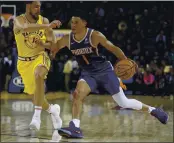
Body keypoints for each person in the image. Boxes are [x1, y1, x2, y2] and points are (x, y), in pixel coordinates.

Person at [51, 10, 168, 138]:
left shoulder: (94, 35)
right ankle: (75, 127)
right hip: (88, 73)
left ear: (84, 23)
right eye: (71, 22)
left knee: (124, 103)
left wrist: (126, 60)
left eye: (76, 22)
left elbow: (113, 48)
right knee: (77, 94)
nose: (72, 24)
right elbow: (54, 46)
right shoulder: (68, 39)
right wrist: (49, 49)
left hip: (105, 71)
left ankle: (154, 110)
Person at [13, 1, 62, 131]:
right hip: (23, 63)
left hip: (40, 57)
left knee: (39, 74)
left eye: (40, 6)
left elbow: (53, 45)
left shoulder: (44, 20)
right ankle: (53, 110)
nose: (38, 9)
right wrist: (47, 25)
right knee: (36, 98)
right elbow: (24, 28)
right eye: (36, 6)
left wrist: (42, 44)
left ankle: (36, 117)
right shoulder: (18, 20)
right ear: (28, 6)